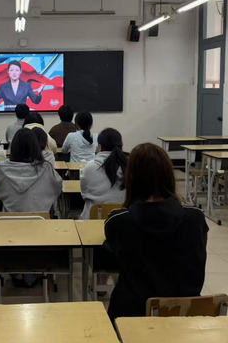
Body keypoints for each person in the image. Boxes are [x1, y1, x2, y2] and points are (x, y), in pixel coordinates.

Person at [104, 143, 208, 320]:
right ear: (169, 175)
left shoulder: (119, 221)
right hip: (184, 318)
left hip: (130, 320)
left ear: (131, 178)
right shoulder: (195, 219)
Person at [0, 129, 62, 213]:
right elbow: (58, 187)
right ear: (35, 147)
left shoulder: (3, 169)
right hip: (40, 219)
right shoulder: (46, 168)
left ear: (14, 148)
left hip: (9, 219)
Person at [79, 128, 127, 219]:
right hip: (123, 220)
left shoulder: (90, 168)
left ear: (100, 147)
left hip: (94, 219)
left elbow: (84, 194)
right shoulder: (129, 167)